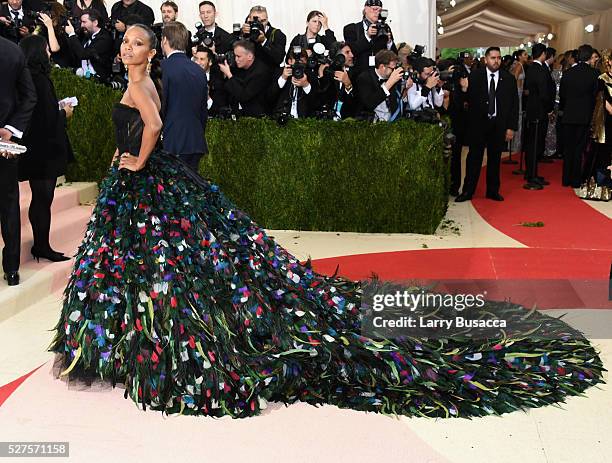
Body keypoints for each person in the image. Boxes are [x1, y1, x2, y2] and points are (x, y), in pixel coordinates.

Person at [47, 23, 605, 420]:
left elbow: (150, 126)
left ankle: (122, 344)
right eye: (125, 41)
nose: (128, 48)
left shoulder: (145, 84)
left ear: (152, 49)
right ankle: (122, 341)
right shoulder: (151, 76)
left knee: (158, 266)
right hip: (142, 186)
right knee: (152, 266)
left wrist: (139, 159)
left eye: (137, 41)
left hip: (142, 179)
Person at [18, 34, 74, 263]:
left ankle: (41, 244)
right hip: (44, 149)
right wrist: (64, 112)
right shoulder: (38, 79)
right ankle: (42, 246)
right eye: (46, 50)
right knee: (43, 198)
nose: (49, 53)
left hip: (34, 147)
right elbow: (47, 118)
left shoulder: (27, 77)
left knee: (40, 198)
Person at [456, 47, 518, 202]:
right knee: (474, 159)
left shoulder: (508, 78)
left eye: (498, 58)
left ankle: (493, 191)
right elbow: (466, 100)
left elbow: (513, 105)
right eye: (493, 58)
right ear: (485, 59)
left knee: (495, 159)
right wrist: (464, 88)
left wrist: (511, 127)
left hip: (498, 124)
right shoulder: (475, 76)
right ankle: (468, 191)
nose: (496, 61)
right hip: (478, 124)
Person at [0, 35, 37, 286]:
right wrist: (11, 129)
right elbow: (29, 96)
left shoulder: (13, 51)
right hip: (5, 142)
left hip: (5, 144)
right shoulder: (12, 50)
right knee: (9, 204)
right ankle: (12, 269)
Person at [160, 22, 208, 172]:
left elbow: (161, 106)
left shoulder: (161, 67)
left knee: (171, 191)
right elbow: (203, 110)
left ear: (165, 40)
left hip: (171, 141)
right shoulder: (199, 70)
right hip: (195, 141)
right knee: (191, 190)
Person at [559, 44, 599, 188]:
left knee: (568, 148)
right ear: (589, 57)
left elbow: (562, 95)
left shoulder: (568, 73)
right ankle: (576, 180)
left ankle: (565, 179)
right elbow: (596, 96)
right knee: (579, 149)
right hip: (584, 116)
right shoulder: (594, 74)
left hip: (568, 115)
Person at [523, 43, 553, 190]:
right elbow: (543, 93)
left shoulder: (531, 68)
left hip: (533, 110)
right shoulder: (539, 69)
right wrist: (548, 108)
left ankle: (532, 173)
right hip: (538, 111)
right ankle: (532, 175)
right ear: (543, 54)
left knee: (533, 143)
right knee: (535, 144)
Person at [343, 0, 396, 78]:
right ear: (365, 9)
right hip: (359, 76)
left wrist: (389, 42)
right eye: (374, 9)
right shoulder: (352, 28)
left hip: (380, 75)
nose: (377, 12)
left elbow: (393, 55)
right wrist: (367, 36)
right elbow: (351, 52)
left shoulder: (385, 28)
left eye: (380, 10)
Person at [219, 40, 271, 117]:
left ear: (250, 56)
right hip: (238, 115)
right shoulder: (238, 68)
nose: (236, 59)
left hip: (257, 118)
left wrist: (229, 75)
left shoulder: (261, 72)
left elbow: (243, 95)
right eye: (235, 56)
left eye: (238, 56)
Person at [65, 9, 114, 81]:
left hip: (98, 80)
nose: (82, 25)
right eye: (81, 22)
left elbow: (83, 54)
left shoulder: (104, 39)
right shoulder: (85, 34)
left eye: (84, 22)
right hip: (81, 77)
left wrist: (72, 34)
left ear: (95, 22)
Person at [356, 49, 404, 122]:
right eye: (392, 68)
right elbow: (369, 103)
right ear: (382, 67)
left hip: (392, 121)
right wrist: (389, 83)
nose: (394, 71)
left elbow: (397, 103)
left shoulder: (393, 78)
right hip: (371, 123)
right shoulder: (365, 78)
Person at [269, 48, 318, 119]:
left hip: (304, 121)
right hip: (280, 118)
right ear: (289, 61)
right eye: (296, 61)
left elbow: (316, 103)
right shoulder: (279, 72)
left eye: (301, 61)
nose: (298, 64)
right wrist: (283, 78)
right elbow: (269, 98)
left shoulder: (311, 76)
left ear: (306, 62)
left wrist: (306, 85)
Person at [240, 5, 286, 72]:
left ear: (267, 20)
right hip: (247, 76)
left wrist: (264, 41)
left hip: (269, 77)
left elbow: (279, 59)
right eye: (255, 20)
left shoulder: (277, 34)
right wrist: (242, 34)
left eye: (262, 21)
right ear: (249, 19)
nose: (259, 24)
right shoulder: (244, 32)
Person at [193, 45, 227, 117]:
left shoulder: (218, 81)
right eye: (196, 59)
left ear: (210, 62)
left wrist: (207, 97)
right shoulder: (188, 77)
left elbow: (219, 109)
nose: (198, 62)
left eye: (202, 59)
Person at [509, 49, 527, 155]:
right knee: (518, 117)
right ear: (519, 56)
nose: (526, 56)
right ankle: (516, 146)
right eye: (524, 54)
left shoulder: (519, 64)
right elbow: (514, 79)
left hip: (519, 92)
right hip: (517, 93)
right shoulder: (519, 65)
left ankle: (515, 145)